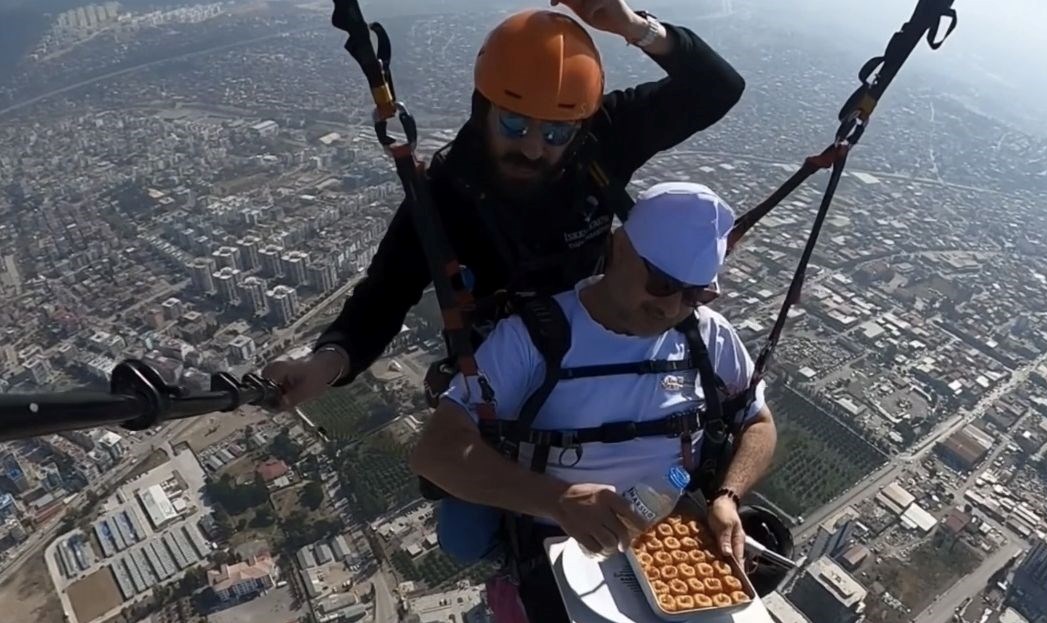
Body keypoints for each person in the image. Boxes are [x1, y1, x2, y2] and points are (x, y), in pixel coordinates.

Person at [264, 0, 745, 406]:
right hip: (508, 366)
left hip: (607, 329)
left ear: (580, 125)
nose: (534, 148)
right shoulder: (447, 193)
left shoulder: (603, 139)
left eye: (556, 132)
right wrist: (328, 360)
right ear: (483, 109)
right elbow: (387, 292)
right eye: (514, 125)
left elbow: (717, 89)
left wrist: (633, 28)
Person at [409, 182, 778, 622]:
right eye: (662, 283)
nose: (673, 307)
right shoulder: (535, 338)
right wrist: (557, 500)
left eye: (696, 295)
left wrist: (727, 496)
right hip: (559, 540)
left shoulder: (708, 336)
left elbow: (758, 422)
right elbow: (436, 452)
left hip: (674, 532)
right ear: (618, 248)